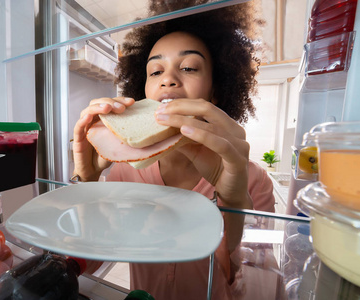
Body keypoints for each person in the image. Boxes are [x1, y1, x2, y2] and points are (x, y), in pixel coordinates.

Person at [72, 1, 275, 299]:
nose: (167, 79)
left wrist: (232, 201)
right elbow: (86, 263)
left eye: (189, 67)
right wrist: (84, 183)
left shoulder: (254, 180)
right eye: (155, 72)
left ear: (216, 91)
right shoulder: (124, 171)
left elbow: (260, 284)